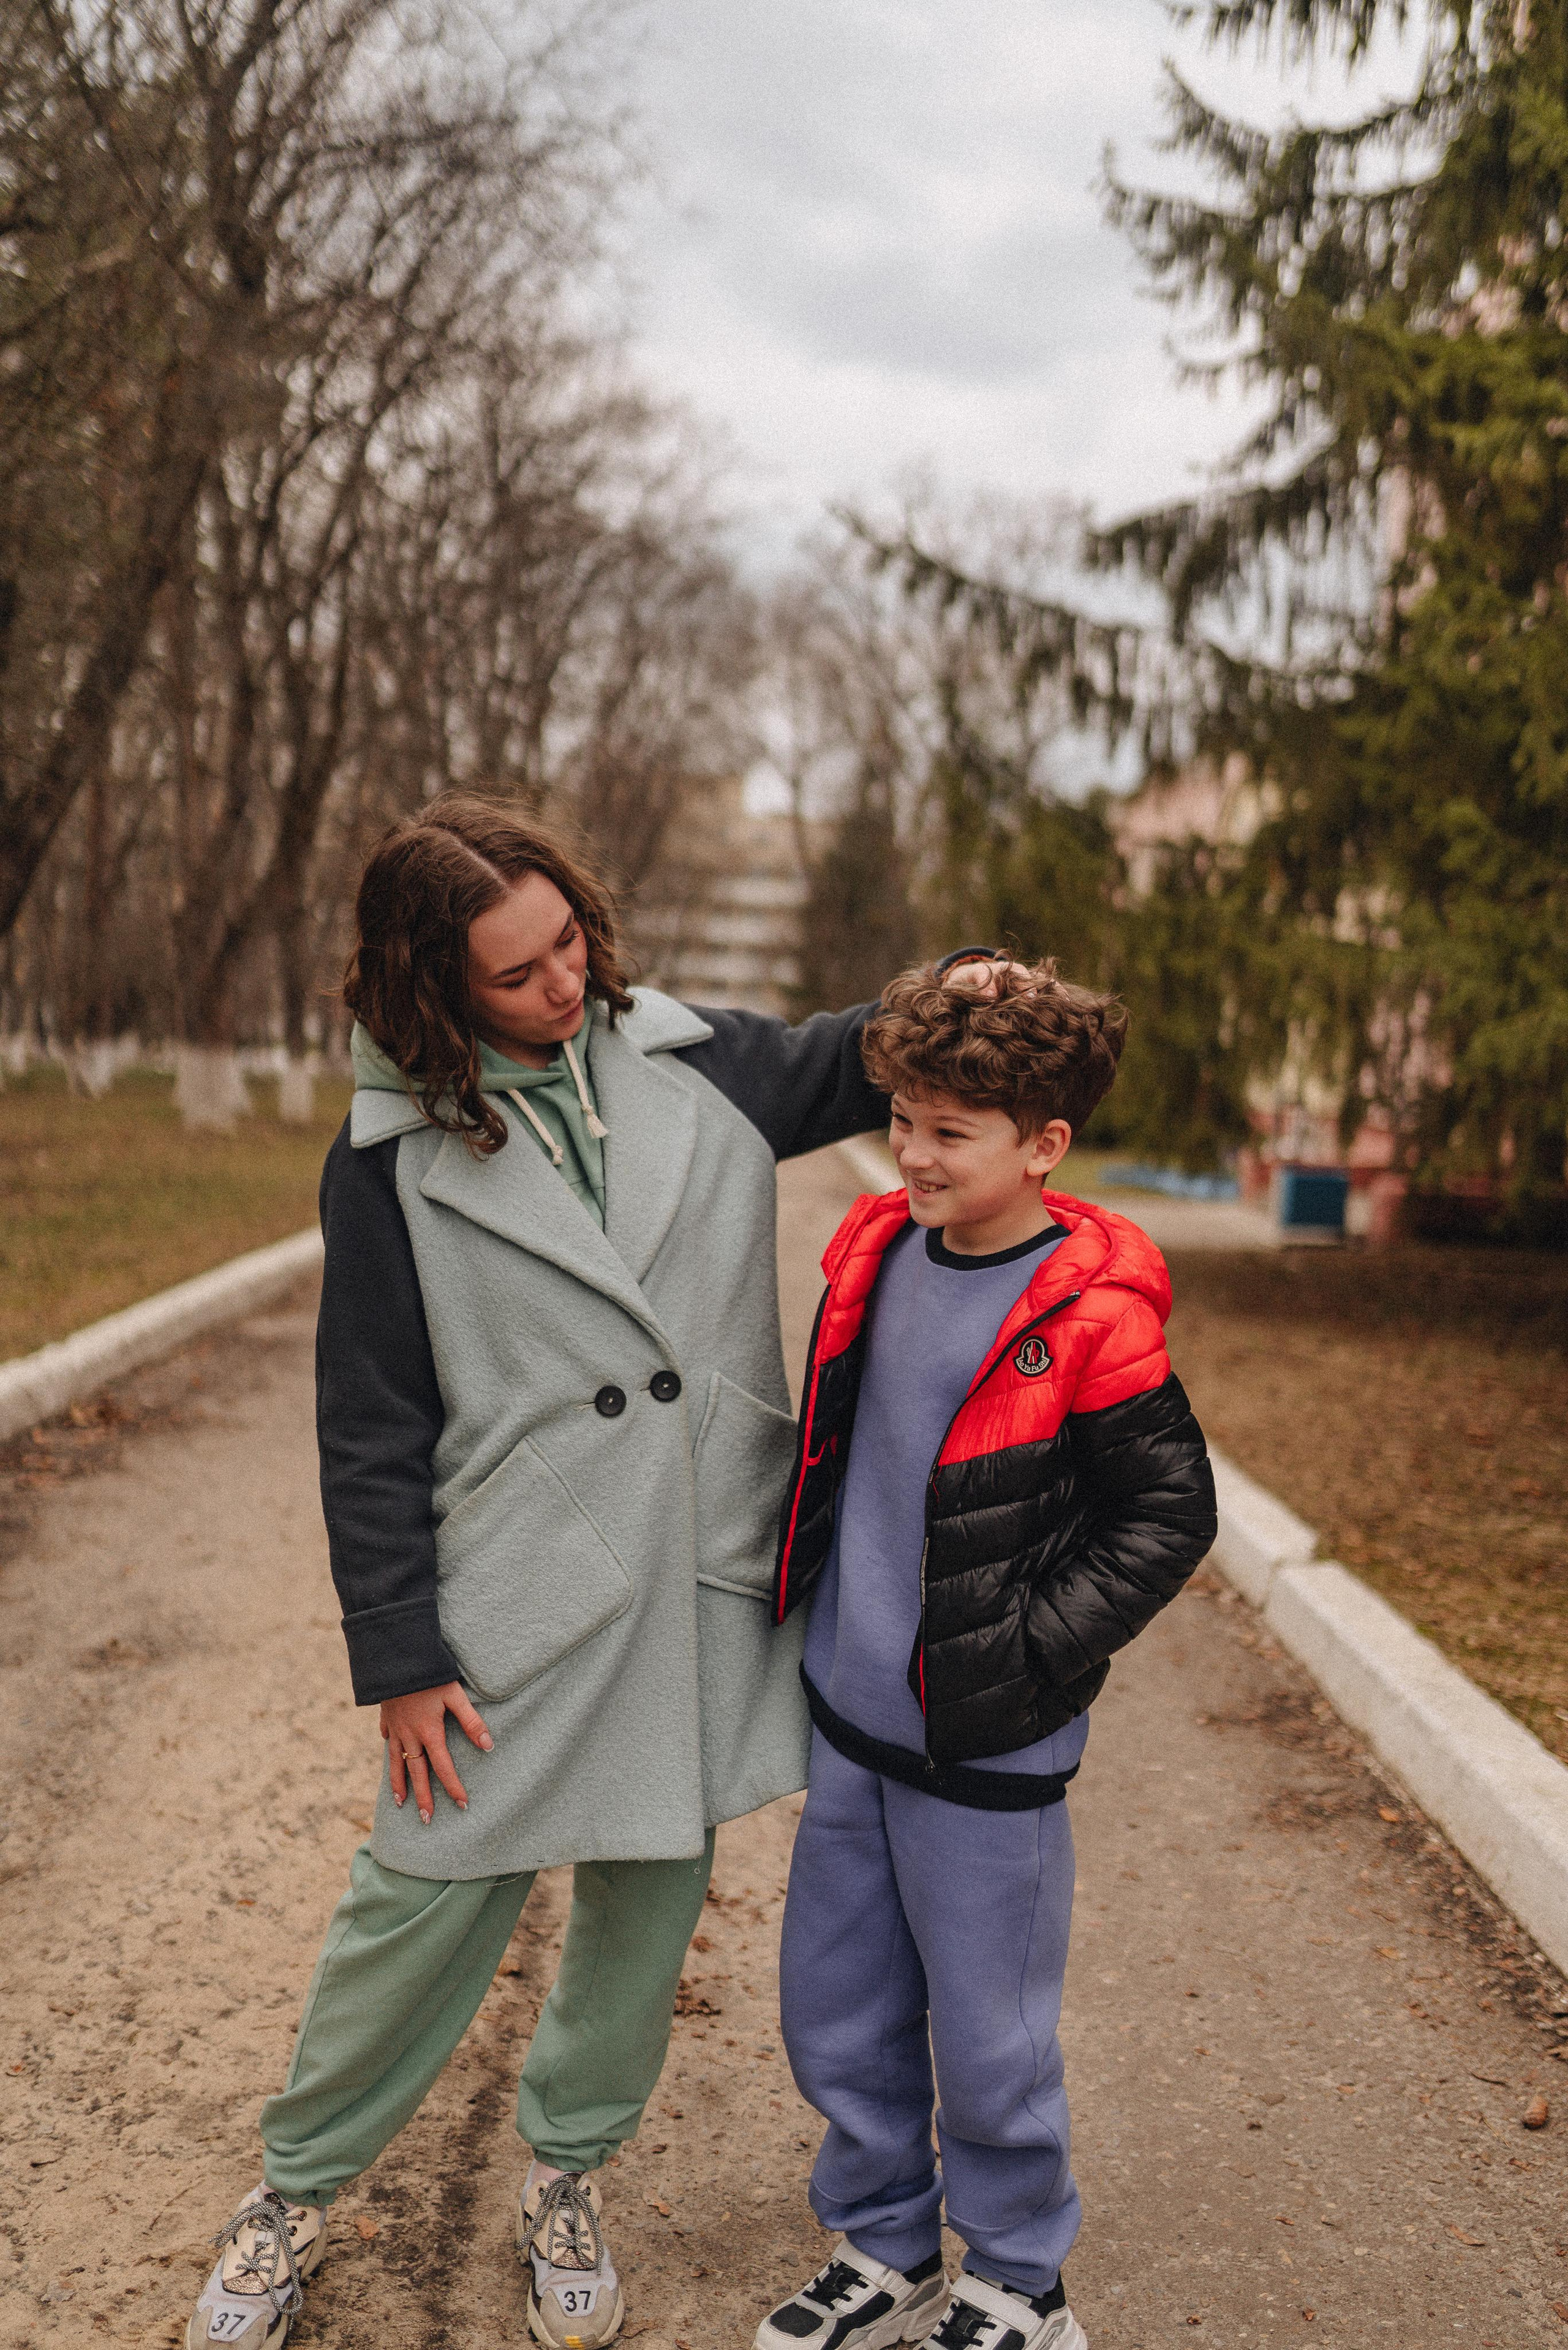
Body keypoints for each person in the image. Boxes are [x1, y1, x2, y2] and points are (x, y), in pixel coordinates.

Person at [186, 795, 959, 2350]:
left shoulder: (695, 1062)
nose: (565, 982)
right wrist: (400, 1646)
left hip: (695, 1573)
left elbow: (856, 1042)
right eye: (516, 971)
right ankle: (293, 2191)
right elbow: (369, 1420)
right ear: (432, 989)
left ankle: (565, 2170)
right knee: (416, 1902)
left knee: (647, 1901)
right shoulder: (387, 1158)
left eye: (570, 940)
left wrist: (969, 989)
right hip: (516, 1586)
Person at [756, 957, 1218, 2350]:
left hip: (990, 1743)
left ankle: (1020, 2277)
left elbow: (1169, 1509)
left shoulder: (1088, 1313)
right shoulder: (873, 1252)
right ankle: (886, 2243)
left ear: (1041, 1145)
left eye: (949, 1132)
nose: (910, 1152)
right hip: (851, 1721)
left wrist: (1029, 1656)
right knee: (837, 2006)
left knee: (990, 2036)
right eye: (902, 1118)